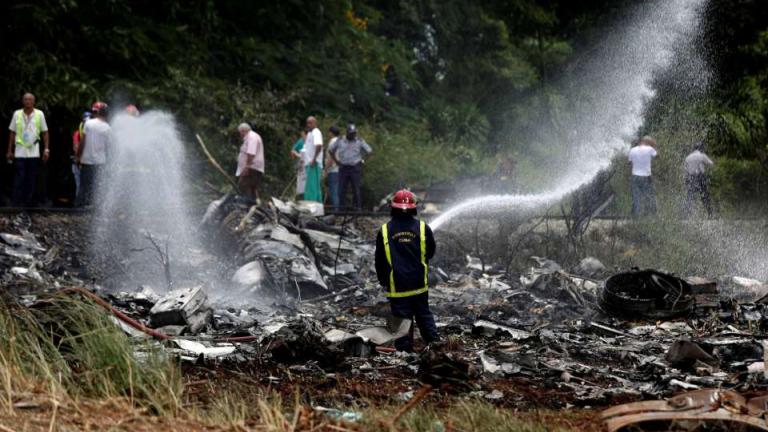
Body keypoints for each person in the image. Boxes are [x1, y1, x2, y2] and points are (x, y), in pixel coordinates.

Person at [374, 189, 438, 352]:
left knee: (402, 319)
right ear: (413, 208)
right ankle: (435, 345)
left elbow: (380, 260)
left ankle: (405, 353)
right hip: (419, 283)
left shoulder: (385, 231)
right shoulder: (423, 228)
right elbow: (430, 252)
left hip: (398, 285)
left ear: (393, 207)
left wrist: (383, 280)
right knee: (424, 315)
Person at [6, 93, 50, 207]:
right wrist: (9, 150)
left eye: (30, 99)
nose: (28, 101)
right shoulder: (17, 114)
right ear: (22, 101)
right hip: (20, 150)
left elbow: (45, 132)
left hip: (33, 151)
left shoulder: (39, 114)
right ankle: (16, 201)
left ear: (34, 102)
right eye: (25, 99)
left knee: (31, 177)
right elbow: (12, 132)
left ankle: (28, 201)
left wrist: (46, 149)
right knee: (19, 176)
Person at [329, 124, 372, 210]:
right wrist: (337, 161)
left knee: (356, 189)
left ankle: (357, 209)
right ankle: (341, 210)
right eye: (351, 133)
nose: (353, 135)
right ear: (347, 133)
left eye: (354, 133)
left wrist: (363, 161)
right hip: (343, 167)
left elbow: (369, 151)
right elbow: (331, 150)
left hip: (355, 167)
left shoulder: (359, 141)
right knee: (341, 190)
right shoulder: (340, 140)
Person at [77, 101, 111, 207]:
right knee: (97, 185)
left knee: (84, 184)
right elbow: (108, 147)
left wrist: (79, 156)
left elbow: (82, 141)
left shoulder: (88, 124)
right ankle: (95, 205)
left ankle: (81, 205)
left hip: (86, 159)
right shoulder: (107, 128)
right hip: (100, 161)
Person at [628, 135, 658, 216]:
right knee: (649, 195)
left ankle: (636, 215)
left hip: (635, 176)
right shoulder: (650, 149)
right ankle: (651, 213)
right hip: (646, 176)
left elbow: (629, 163)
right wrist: (654, 145)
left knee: (636, 196)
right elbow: (657, 156)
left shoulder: (632, 150)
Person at [684, 140, 714, 217]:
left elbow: (686, 170)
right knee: (704, 196)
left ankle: (686, 214)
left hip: (691, 178)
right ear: (701, 148)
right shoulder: (702, 155)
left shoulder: (688, 157)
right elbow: (711, 164)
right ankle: (710, 214)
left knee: (690, 196)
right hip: (700, 178)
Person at [236, 123, 265, 202]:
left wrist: (247, 167)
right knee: (251, 188)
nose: (240, 135)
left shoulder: (251, 137)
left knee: (244, 185)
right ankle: (253, 204)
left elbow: (251, 153)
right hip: (253, 168)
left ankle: (247, 205)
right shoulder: (251, 137)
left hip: (252, 167)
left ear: (243, 131)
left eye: (240, 133)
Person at [71, 111, 91, 200]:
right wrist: (78, 158)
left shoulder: (94, 132)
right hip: (80, 162)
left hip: (89, 161)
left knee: (89, 183)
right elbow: (76, 146)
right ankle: (79, 202)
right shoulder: (78, 133)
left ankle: (86, 201)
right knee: (80, 183)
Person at [303, 116, 323, 202]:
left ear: (315, 123)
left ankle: (311, 206)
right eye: (307, 123)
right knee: (313, 186)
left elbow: (319, 145)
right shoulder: (310, 134)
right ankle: (318, 207)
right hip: (309, 163)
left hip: (313, 164)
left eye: (310, 123)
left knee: (312, 187)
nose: (308, 125)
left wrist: (314, 159)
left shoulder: (316, 132)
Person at [324, 125, 341, 209]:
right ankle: (338, 210)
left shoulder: (332, 142)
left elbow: (330, 158)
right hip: (340, 170)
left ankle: (336, 211)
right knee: (337, 191)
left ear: (331, 133)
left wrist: (326, 170)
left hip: (333, 170)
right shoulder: (340, 142)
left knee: (333, 191)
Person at [290, 130, 307, 199]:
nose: (302, 137)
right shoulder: (301, 141)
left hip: (307, 165)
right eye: (302, 135)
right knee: (299, 182)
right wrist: (295, 157)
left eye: (303, 135)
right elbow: (292, 151)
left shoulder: (310, 142)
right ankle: (297, 197)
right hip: (301, 165)